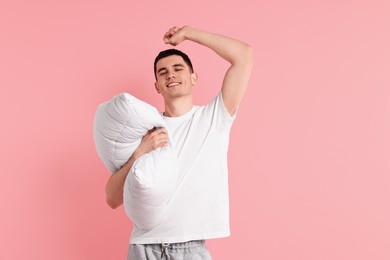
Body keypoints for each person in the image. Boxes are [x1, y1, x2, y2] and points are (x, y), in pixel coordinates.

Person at [105, 25, 254, 260]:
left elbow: (244, 55)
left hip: (191, 250)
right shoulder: (145, 131)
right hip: (144, 248)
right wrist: (139, 154)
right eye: (162, 72)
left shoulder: (214, 118)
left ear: (193, 77)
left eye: (177, 69)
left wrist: (189, 34)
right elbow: (111, 199)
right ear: (157, 86)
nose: (170, 75)